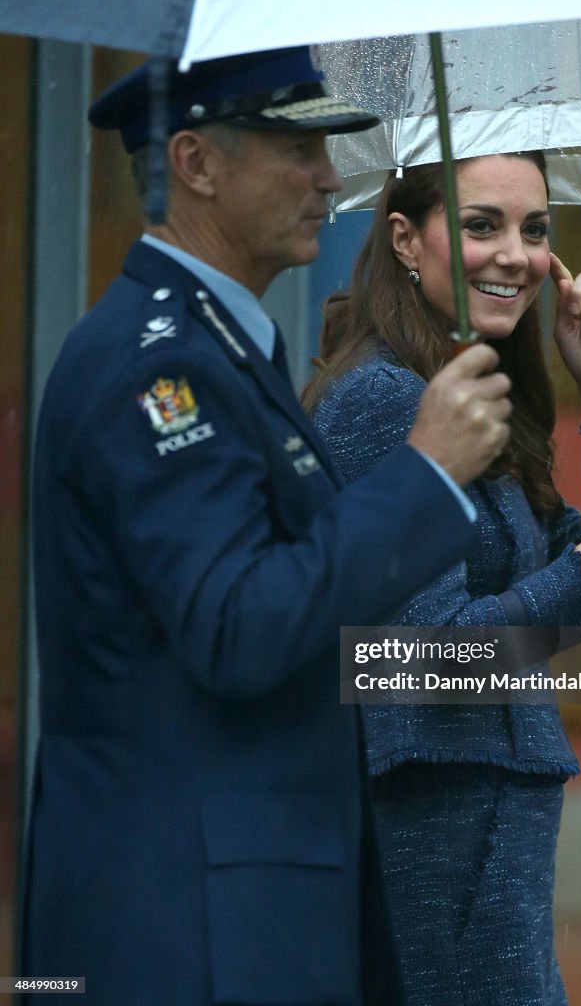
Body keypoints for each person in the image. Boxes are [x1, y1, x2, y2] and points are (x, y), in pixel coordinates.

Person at [22, 50, 515, 1006]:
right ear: (198, 163)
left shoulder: (216, 343)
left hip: (227, 916)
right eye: (297, 148)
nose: (330, 177)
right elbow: (238, 628)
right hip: (183, 933)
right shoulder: (155, 365)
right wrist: (424, 473)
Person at [304, 152, 581, 1006]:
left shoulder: (465, 385)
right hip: (440, 815)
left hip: (488, 819)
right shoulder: (384, 399)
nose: (515, 255)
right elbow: (440, 662)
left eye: (534, 229)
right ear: (407, 239)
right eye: (482, 224)